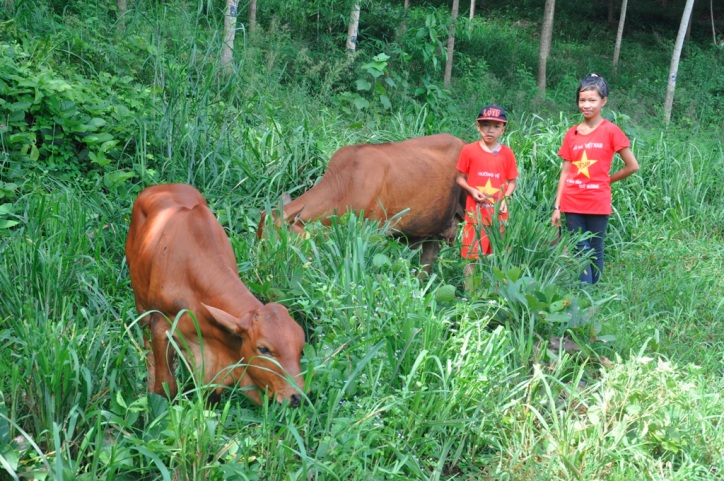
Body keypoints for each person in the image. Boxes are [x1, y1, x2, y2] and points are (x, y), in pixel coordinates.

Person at [551, 73, 640, 284]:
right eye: (582, 100)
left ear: (604, 101)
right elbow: (565, 172)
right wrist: (557, 206)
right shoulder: (571, 134)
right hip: (572, 202)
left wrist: (607, 180)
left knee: (595, 249)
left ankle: (593, 295)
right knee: (580, 249)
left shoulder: (611, 131)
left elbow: (632, 166)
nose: (586, 105)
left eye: (592, 100)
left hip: (598, 202)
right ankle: (586, 295)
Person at [456, 105, 519, 279]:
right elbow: (459, 178)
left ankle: (495, 292)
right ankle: (470, 295)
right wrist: (471, 190)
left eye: (496, 126)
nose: (490, 130)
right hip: (475, 214)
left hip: (498, 214)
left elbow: (512, 182)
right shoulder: (469, 150)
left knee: (498, 255)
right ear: (478, 126)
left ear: (503, 129)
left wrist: (505, 199)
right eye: (485, 125)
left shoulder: (507, 153)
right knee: (472, 256)